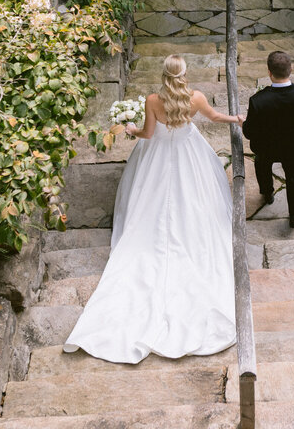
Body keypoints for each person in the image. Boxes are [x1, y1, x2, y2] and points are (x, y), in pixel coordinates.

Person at [63, 54, 242, 364]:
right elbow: (214, 118)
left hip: (158, 157)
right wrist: (235, 119)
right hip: (189, 154)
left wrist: (129, 128)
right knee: (197, 203)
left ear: (164, 74)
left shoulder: (153, 100)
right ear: (185, 74)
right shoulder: (196, 97)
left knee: (148, 204)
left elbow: (147, 134)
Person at [241, 50, 294, 229]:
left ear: (269, 72)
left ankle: (268, 193)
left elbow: (249, 132)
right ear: (291, 69)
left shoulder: (257, 101)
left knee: (262, 165)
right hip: (293, 147)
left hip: (266, 148)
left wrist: (243, 124)